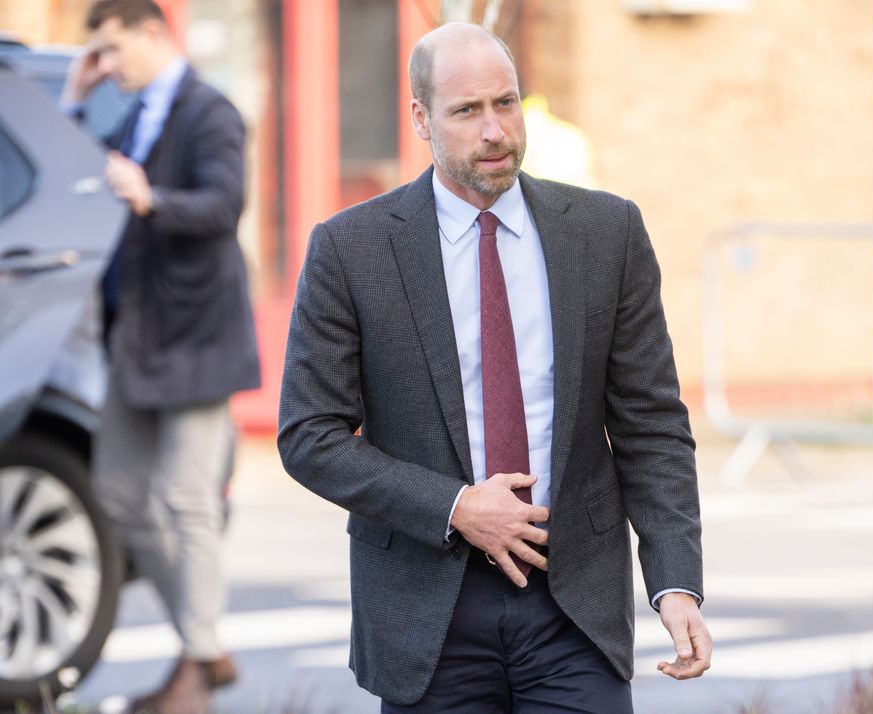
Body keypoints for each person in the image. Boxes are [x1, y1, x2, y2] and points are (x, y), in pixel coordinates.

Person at [278, 22, 710, 713]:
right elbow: (310, 437)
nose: (494, 131)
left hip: (574, 608)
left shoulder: (606, 233)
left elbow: (652, 423)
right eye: (466, 110)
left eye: (505, 103)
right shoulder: (351, 250)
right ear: (421, 118)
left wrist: (675, 581)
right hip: (430, 608)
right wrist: (455, 507)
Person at [62, 1, 260, 711]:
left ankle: (195, 671)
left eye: (114, 51)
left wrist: (151, 199)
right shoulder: (131, 111)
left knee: (186, 500)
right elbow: (79, 176)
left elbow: (225, 204)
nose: (109, 65)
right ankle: (205, 644)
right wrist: (78, 98)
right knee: (117, 490)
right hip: (137, 339)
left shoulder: (210, 111)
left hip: (199, 336)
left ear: (153, 33)